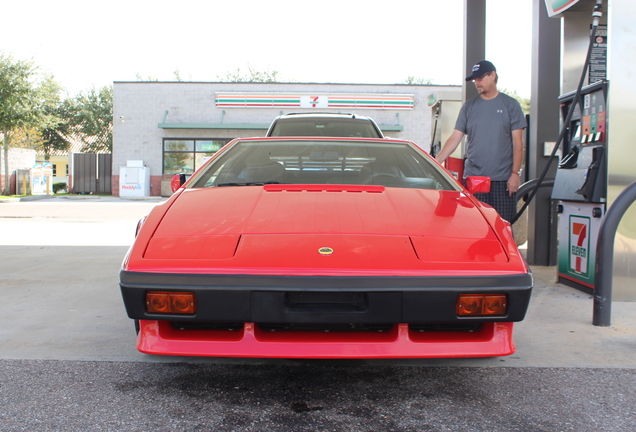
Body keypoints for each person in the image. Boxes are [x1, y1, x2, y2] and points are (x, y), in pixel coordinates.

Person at [436, 60, 526, 223]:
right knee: (475, 227)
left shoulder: (510, 105)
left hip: (502, 181)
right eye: (475, 80)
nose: (477, 83)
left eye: (480, 78)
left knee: (502, 228)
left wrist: (515, 174)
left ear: (493, 75)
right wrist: (437, 161)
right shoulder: (469, 107)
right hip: (475, 180)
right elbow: (456, 136)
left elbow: (518, 143)